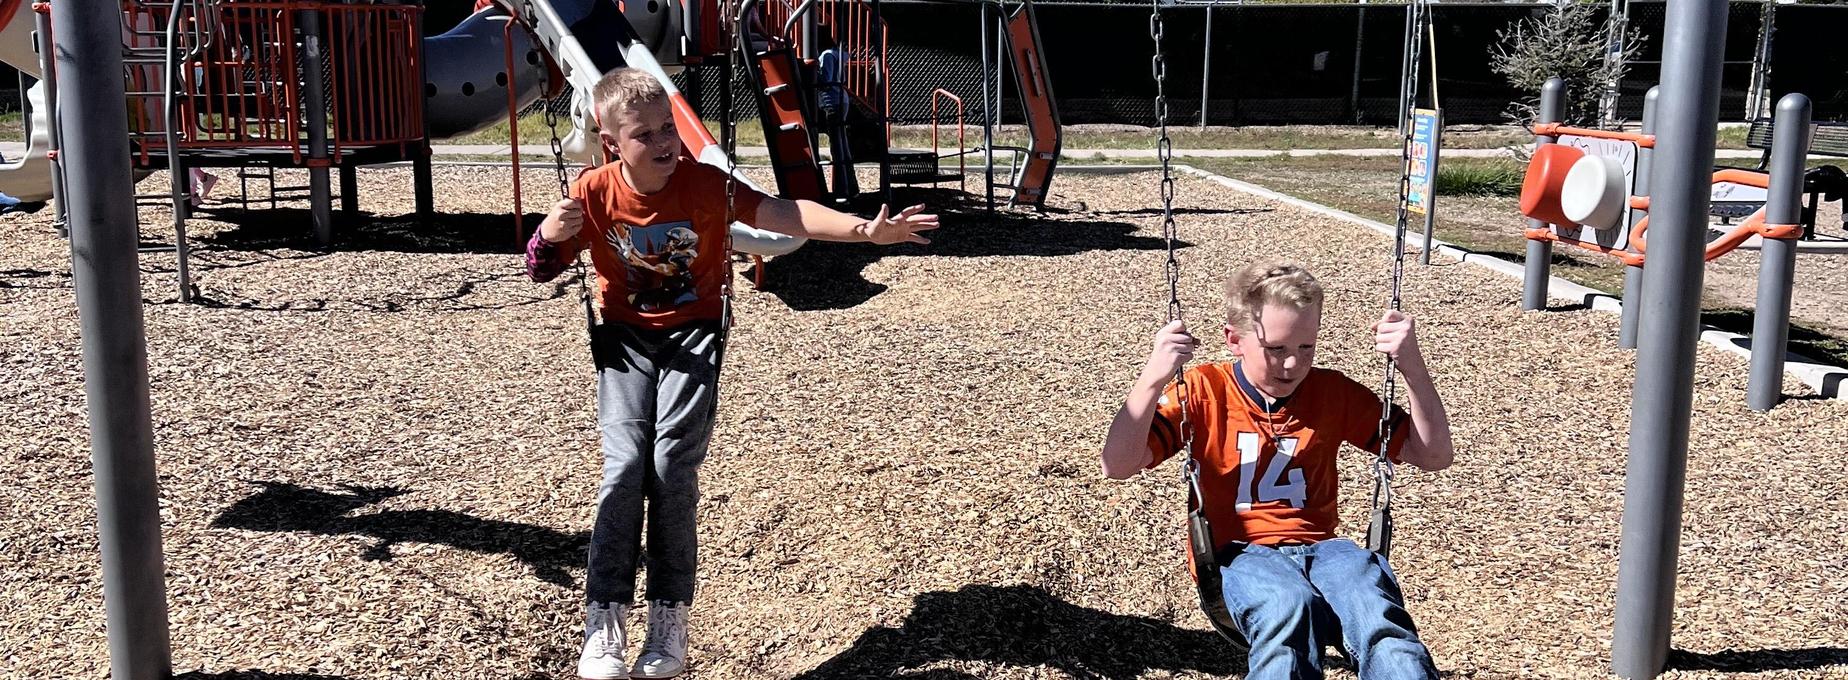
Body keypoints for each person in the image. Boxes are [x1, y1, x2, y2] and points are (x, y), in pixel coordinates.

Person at [526, 68, 938, 680]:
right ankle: (605, 618)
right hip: (624, 342)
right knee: (624, 465)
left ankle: (668, 618)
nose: (666, 140)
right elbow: (539, 266)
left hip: (694, 334)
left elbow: (782, 211)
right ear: (612, 143)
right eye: (646, 134)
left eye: (669, 126)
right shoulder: (592, 193)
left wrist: (862, 231)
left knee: (669, 465)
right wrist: (548, 234)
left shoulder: (706, 184)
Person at [1099, 261, 1455, 679]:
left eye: (1306, 348)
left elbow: (1432, 455)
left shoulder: (1333, 392)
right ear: (1234, 340)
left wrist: (1412, 366)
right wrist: (1152, 379)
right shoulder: (1203, 390)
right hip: (1239, 554)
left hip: (1325, 550)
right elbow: (1117, 464)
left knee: (1378, 617)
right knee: (1288, 606)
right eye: (1276, 350)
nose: (1292, 365)